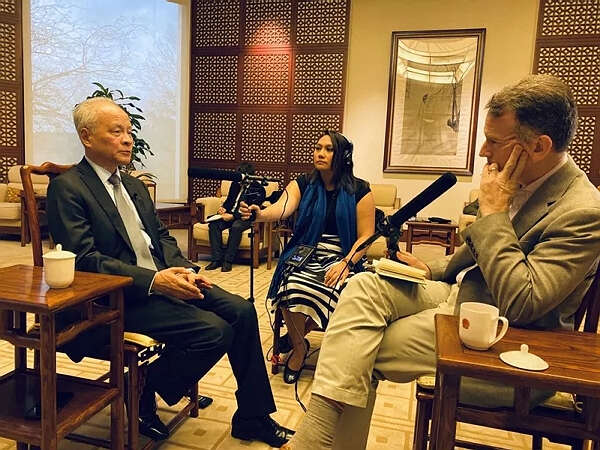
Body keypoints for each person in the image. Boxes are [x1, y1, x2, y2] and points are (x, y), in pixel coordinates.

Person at [283, 74, 600, 449]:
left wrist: (494, 213)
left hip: (508, 340)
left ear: (539, 146)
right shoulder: (519, 180)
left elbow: (524, 302)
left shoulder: (582, 210)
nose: (483, 151)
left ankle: (311, 442)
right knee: (364, 285)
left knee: (356, 350)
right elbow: (476, 255)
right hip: (459, 298)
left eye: (494, 141)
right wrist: (430, 268)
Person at [46, 97, 294, 447]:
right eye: (116, 132)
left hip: (164, 280)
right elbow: (85, 259)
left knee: (242, 310)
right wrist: (154, 281)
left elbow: (161, 237)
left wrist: (184, 269)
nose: (128, 139)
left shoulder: (133, 185)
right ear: (87, 136)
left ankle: (252, 417)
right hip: (119, 296)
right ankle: (140, 389)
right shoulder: (68, 187)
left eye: (129, 131)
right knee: (214, 332)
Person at [240, 130, 375, 384]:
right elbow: (282, 207)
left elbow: (366, 236)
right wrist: (260, 214)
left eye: (329, 149)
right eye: (317, 148)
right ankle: (300, 348)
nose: (320, 153)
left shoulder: (360, 190)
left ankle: (296, 335)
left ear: (343, 155)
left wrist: (347, 263)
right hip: (306, 251)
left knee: (342, 290)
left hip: (343, 256)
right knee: (290, 284)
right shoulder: (303, 183)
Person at [205, 162, 264, 272]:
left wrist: (232, 216)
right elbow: (229, 201)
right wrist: (223, 208)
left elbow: (250, 210)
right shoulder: (235, 184)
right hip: (230, 215)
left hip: (245, 217)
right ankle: (216, 259)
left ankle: (228, 261)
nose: (239, 180)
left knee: (236, 227)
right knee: (214, 224)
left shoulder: (258, 189)